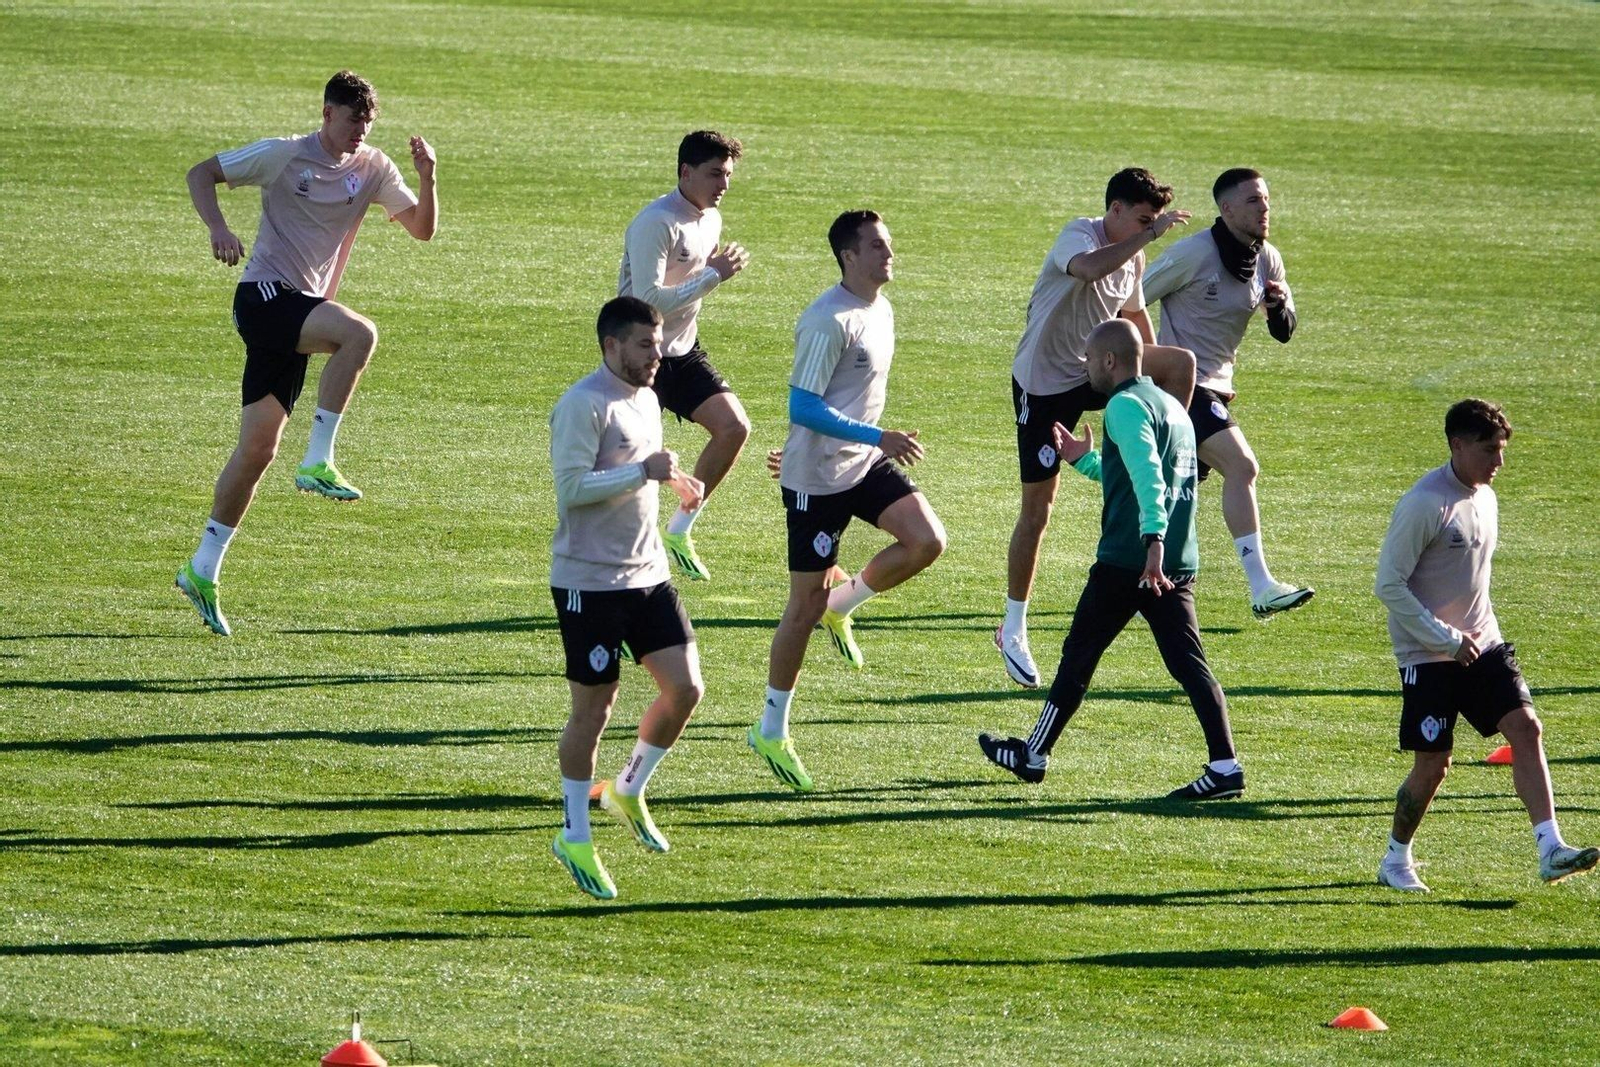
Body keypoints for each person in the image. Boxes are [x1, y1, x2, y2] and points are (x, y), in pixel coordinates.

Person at [176, 70, 437, 636]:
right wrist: (218, 228)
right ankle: (319, 459)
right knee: (359, 334)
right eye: (352, 121)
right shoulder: (283, 155)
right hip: (265, 297)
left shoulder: (372, 167)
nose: (359, 133)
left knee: (257, 452)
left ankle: (202, 568)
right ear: (326, 113)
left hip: (299, 309)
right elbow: (202, 173)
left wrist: (428, 178)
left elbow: (421, 229)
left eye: (368, 123)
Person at [979, 318, 1244, 801]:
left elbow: (1148, 476)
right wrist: (1084, 460)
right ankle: (1225, 766)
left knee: (1078, 657)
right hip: (1177, 564)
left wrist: (1152, 543)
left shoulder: (1122, 406)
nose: (1085, 369)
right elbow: (1139, 478)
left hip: (1132, 561)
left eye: (1088, 360)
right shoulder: (1172, 407)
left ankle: (1033, 756)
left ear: (1109, 360)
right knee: (1190, 665)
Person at [749, 211, 946, 792]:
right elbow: (802, 407)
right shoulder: (827, 320)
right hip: (818, 482)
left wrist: (868, 444)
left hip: (860, 463)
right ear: (848, 257)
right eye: (878, 246)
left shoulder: (879, 308)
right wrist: (872, 438)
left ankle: (846, 601)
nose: (890, 253)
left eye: (889, 243)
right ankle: (771, 726)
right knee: (800, 610)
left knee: (927, 540)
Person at [1374, 399, 1596, 892]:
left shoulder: (1485, 497)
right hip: (1429, 655)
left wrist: (1474, 635)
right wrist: (1446, 639)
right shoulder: (1424, 503)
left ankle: (1550, 847)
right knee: (1433, 765)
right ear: (1457, 444)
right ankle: (1395, 859)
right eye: (1490, 450)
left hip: (1485, 644)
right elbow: (1389, 585)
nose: (1500, 462)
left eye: (1502, 450)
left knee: (1527, 727)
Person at [998, 167, 1198, 689]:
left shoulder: (1133, 253)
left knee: (1179, 364)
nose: (1148, 228)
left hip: (1098, 368)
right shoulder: (1079, 235)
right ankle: (1013, 626)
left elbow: (1135, 324)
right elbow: (1087, 271)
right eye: (1141, 219)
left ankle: (1164, 456)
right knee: (1038, 511)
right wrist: (1149, 237)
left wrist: (1149, 382)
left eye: (1152, 221)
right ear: (1114, 211)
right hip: (1044, 386)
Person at [548, 297, 707, 900]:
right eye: (644, 344)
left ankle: (628, 788)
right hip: (588, 582)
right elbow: (571, 491)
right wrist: (644, 471)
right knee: (594, 710)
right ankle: (576, 834)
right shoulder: (582, 404)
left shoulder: (645, 395)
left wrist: (673, 479)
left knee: (686, 688)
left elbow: (641, 466)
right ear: (611, 346)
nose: (656, 355)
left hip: (647, 574)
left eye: (658, 342)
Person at [1142, 168, 1312, 620]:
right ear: (1227, 208)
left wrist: (1276, 308)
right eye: (1254, 201)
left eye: (1267, 200)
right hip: (1182, 387)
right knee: (1242, 466)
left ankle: (1144, 584)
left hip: (1218, 389)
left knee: (1172, 498)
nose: (1265, 209)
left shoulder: (1268, 259)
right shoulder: (1193, 254)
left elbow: (1285, 331)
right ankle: (1261, 586)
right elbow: (1130, 300)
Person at [617, 130, 752, 582]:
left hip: (682, 351)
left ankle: (678, 530)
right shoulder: (657, 222)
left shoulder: (709, 218)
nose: (724, 184)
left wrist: (709, 271)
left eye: (729, 174)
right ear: (685, 172)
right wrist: (713, 275)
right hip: (638, 360)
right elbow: (646, 302)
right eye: (716, 173)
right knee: (637, 467)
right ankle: (621, 565)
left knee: (734, 427)